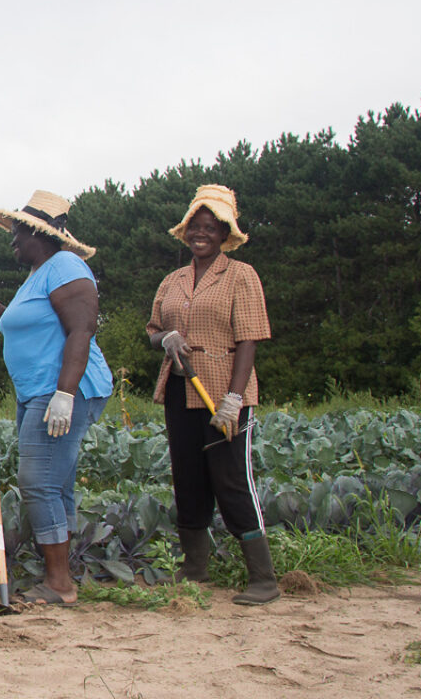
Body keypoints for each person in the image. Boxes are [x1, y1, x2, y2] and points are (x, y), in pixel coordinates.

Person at [0, 190, 112, 606]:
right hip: (38, 392)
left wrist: (64, 394)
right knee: (56, 483)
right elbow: (33, 322)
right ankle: (62, 573)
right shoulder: (41, 272)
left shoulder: (66, 265)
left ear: (40, 233)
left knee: (38, 482)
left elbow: (81, 330)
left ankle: (59, 583)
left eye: (17, 232)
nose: (11, 240)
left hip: (62, 390)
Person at [146, 184, 279, 605]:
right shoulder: (173, 280)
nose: (200, 234)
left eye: (210, 228)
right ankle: (194, 566)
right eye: (194, 227)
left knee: (230, 478)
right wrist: (165, 338)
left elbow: (250, 340)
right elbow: (151, 329)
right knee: (188, 477)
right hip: (179, 388)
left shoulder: (241, 274)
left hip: (222, 391)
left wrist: (234, 400)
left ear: (225, 235)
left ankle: (263, 578)